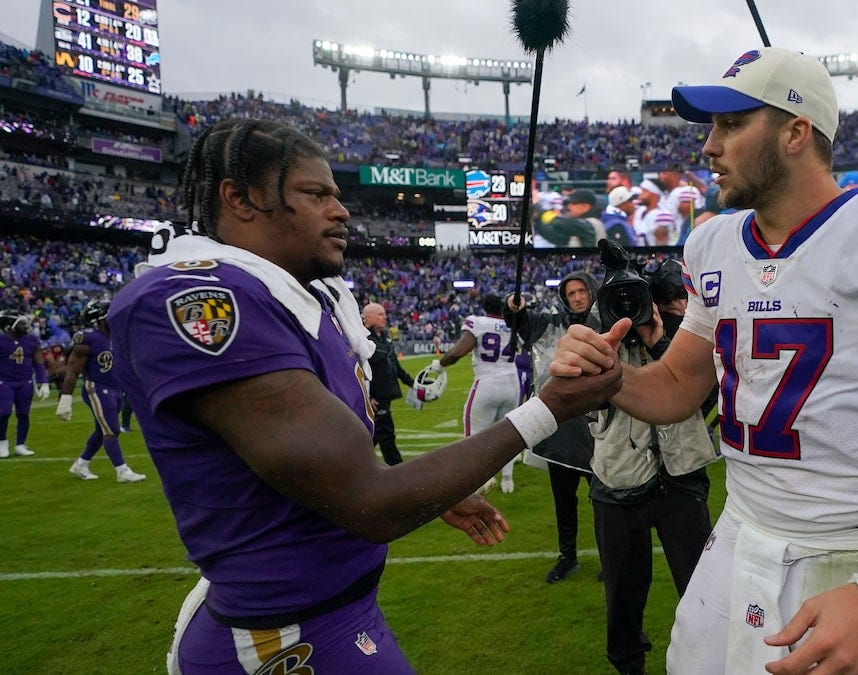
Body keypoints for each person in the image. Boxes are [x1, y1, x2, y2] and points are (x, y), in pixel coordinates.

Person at [104, 118, 620, 673]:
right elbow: (368, 501)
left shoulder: (300, 295)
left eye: (337, 193)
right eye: (315, 193)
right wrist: (551, 409)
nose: (341, 209)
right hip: (282, 635)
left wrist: (432, 491)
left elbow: (326, 467)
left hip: (332, 608)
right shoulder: (201, 298)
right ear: (240, 198)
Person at [551, 47, 858, 674]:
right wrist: (614, 379)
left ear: (796, 132)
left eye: (732, 124)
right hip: (740, 531)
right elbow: (680, 383)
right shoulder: (713, 243)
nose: (709, 146)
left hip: (852, 546)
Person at [589, 256, 718, 675]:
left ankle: (709, 659)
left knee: (701, 585)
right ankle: (628, 664)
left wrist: (660, 341)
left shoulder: (685, 336)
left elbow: (706, 397)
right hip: (618, 477)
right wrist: (609, 340)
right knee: (623, 591)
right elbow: (583, 400)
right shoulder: (599, 336)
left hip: (681, 477)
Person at [507, 270, 602, 583]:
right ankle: (567, 556)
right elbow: (523, 324)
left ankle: (610, 555)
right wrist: (515, 309)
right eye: (570, 293)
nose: (576, 297)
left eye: (581, 291)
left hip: (597, 430)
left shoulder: (604, 323)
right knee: (564, 502)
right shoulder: (554, 324)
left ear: (592, 291)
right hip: (560, 428)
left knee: (604, 502)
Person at [430, 294, 523, 493]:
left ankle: (481, 481)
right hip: (512, 384)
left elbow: (457, 352)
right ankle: (508, 479)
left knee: (474, 437)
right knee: (508, 434)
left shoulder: (478, 322)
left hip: (487, 383)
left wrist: (440, 364)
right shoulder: (513, 323)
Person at [56, 300, 147, 483]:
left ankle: (81, 464)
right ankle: (122, 471)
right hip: (96, 388)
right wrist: (65, 399)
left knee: (101, 430)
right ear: (100, 319)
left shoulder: (116, 337)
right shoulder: (88, 339)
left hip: (115, 389)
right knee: (111, 429)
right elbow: (73, 369)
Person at [363, 302, 415, 465]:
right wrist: (367, 396)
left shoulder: (384, 337)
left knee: (376, 437)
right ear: (368, 318)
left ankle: (352, 466)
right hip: (375, 400)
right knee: (386, 438)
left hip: (385, 396)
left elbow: (395, 367)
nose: (385, 317)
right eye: (380, 314)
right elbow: (357, 369)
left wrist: (414, 384)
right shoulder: (362, 339)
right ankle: (400, 474)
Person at [0, 312, 50, 458]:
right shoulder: (2, 341)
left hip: (25, 382)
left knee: (23, 413)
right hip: (5, 382)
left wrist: (44, 382)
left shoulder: (31, 340)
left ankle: (20, 444)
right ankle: (2, 442)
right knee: (3, 412)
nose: (26, 326)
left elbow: (38, 362)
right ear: (10, 327)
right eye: (21, 324)